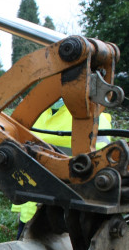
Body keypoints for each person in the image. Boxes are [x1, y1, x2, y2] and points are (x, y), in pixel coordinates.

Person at [12, 100, 112, 238]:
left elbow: (100, 163)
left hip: (71, 208)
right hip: (32, 203)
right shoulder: (36, 113)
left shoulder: (93, 118)